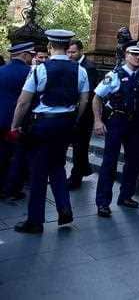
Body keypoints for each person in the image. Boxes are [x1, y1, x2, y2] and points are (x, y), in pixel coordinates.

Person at [9, 30, 90, 234]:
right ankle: (64, 209)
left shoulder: (39, 70)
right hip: (65, 124)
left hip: (43, 125)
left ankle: (35, 221)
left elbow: (23, 102)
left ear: (50, 45)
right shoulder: (80, 70)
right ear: (67, 44)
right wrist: (74, 120)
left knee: (38, 171)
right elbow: (84, 100)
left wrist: (14, 125)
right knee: (57, 166)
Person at [92, 40, 139, 217]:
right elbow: (97, 98)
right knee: (109, 162)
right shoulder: (114, 75)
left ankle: (126, 196)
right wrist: (97, 121)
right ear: (126, 55)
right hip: (116, 120)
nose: (138, 57)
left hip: (136, 123)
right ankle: (103, 202)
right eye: (134, 54)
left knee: (133, 162)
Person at [0, 42, 37, 197]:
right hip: (19, 122)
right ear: (24, 55)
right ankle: (12, 189)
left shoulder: (1, 70)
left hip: (1, 119)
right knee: (18, 156)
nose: (32, 58)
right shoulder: (30, 73)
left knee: (1, 154)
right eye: (31, 55)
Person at [66, 39, 100, 190]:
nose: (70, 55)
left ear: (81, 51)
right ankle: (84, 169)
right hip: (73, 112)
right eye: (68, 52)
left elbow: (89, 94)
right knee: (80, 146)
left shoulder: (89, 68)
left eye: (73, 52)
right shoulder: (70, 65)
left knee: (80, 146)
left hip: (84, 114)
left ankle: (75, 178)